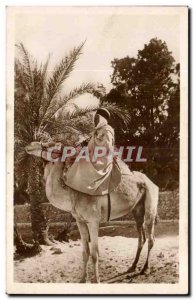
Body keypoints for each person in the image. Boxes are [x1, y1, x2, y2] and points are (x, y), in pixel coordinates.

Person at [64, 108, 121, 195]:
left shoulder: (107, 130)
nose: (95, 120)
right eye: (95, 118)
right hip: (94, 155)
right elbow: (89, 143)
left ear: (102, 119)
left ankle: (82, 188)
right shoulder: (98, 130)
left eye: (97, 118)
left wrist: (87, 151)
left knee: (81, 161)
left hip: (102, 158)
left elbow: (106, 147)